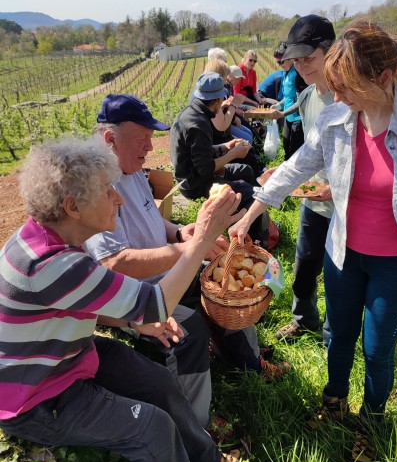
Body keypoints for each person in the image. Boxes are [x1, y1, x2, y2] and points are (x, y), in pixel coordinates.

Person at [229, 20, 397, 462]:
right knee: (339, 333)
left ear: (384, 79)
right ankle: (334, 401)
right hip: (343, 250)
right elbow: (296, 166)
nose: (337, 96)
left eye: (346, 88)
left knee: (378, 348)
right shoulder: (336, 117)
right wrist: (250, 212)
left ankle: (374, 421)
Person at [0, 138, 245, 462]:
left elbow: (83, 303)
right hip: (37, 398)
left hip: (66, 354)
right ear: (73, 205)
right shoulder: (54, 264)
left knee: (154, 381)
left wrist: (134, 320)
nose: (119, 197)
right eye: (107, 191)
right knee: (149, 429)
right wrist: (202, 239)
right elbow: (156, 302)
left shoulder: (47, 238)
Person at [89, 93, 289, 385]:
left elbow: (153, 219)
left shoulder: (130, 170)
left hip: (168, 270)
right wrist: (188, 249)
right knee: (190, 329)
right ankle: (196, 422)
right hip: (137, 292)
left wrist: (182, 232)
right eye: (142, 138)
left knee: (225, 288)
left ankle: (245, 358)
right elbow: (114, 264)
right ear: (110, 139)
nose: (150, 146)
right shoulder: (97, 188)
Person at [271, 15, 336, 343]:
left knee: (340, 279)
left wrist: (336, 189)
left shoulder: (350, 99)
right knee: (304, 269)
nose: (301, 67)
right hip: (313, 202)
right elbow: (308, 155)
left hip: (345, 208)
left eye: (308, 58)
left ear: (331, 51)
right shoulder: (309, 96)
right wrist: (281, 174)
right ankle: (304, 320)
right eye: (295, 61)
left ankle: (332, 338)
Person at [271, 41, 308, 159]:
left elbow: (301, 101)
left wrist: (282, 113)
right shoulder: (285, 74)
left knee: (295, 152)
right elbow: (287, 97)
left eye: (281, 61)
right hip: (288, 117)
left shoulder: (298, 75)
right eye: (277, 62)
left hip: (297, 118)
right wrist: (277, 106)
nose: (279, 64)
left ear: (290, 57)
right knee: (286, 147)